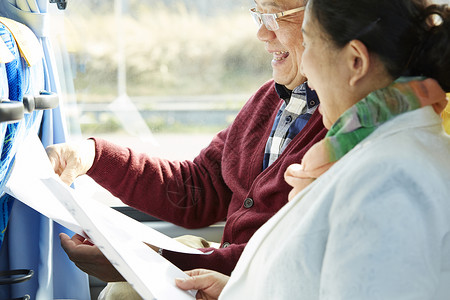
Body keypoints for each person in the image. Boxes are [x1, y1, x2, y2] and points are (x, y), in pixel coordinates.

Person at [175, 0, 450, 299]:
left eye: (309, 42)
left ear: (356, 61)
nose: (304, 65)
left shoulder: (387, 180)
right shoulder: (376, 155)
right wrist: (236, 291)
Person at [46, 0, 327, 283]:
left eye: (276, 16)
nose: (263, 34)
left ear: (328, 17)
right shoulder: (270, 99)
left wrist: (152, 260)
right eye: (260, 14)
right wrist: (94, 157)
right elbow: (198, 190)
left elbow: (290, 256)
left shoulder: (344, 127)